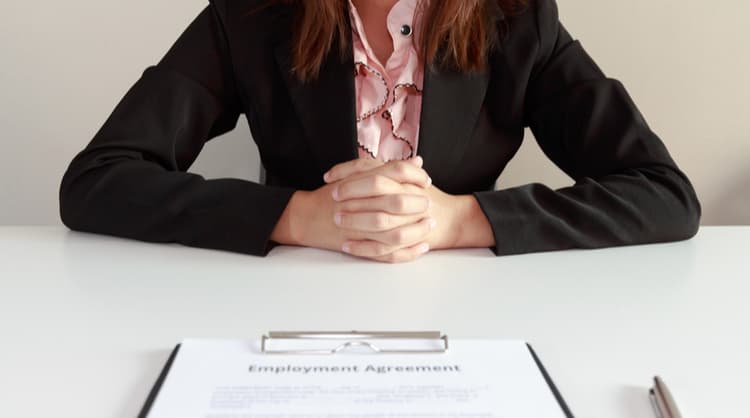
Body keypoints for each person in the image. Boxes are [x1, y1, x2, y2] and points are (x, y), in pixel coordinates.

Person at [59, 0, 701, 263]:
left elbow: (663, 193)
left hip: (466, 330)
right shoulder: (252, 12)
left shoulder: (517, 15)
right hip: (282, 326)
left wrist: (458, 221)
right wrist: (297, 217)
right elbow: (97, 180)